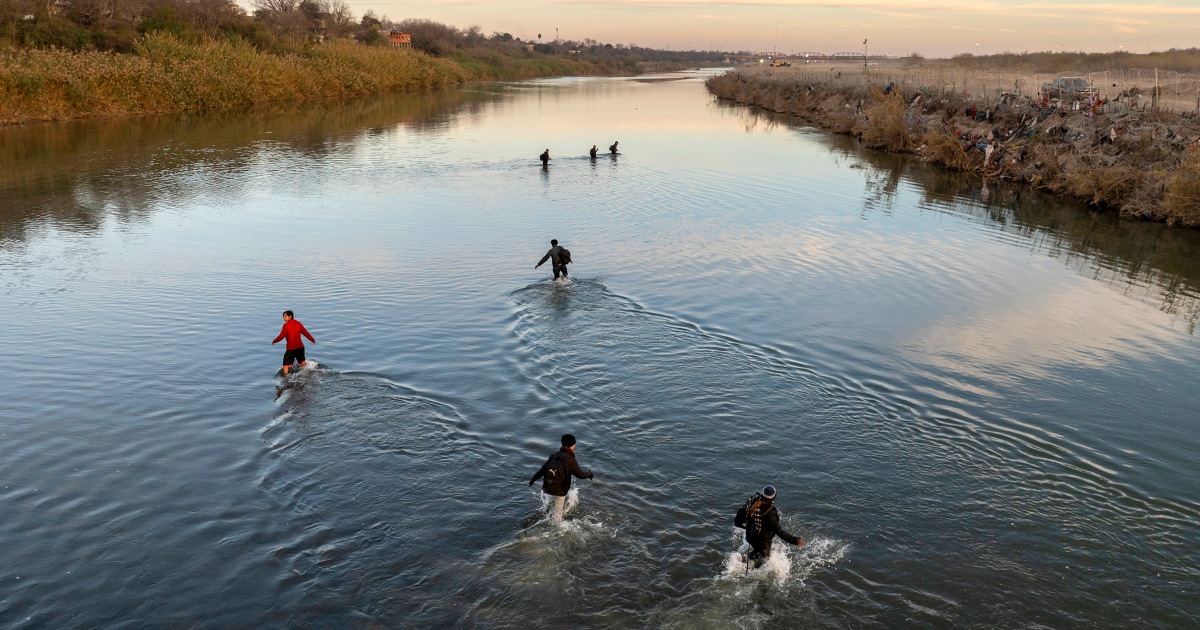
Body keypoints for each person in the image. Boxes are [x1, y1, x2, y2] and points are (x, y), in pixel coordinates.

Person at [529, 433, 594, 522]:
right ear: (573, 446)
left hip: (549, 486)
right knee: (558, 516)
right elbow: (580, 475)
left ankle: (548, 512)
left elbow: (543, 470)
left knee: (552, 501)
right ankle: (556, 527)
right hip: (560, 490)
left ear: (562, 444)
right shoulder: (570, 460)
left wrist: (533, 479)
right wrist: (589, 474)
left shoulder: (554, 455)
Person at [734, 485, 804, 567]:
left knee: (757, 549)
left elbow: (741, 514)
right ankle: (750, 563)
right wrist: (795, 540)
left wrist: (745, 526)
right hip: (763, 542)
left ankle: (748, 559)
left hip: (750, 536)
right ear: (773, 498)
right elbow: (779, 532)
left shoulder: (753, 500)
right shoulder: (771, 514)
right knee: (766, 561)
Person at [272, 310, 316, 376]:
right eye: (283, 316)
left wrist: (274, 341)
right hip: (300, 347)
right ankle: (308, 374)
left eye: (285, 316)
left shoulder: (286, 326)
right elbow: (305, 333)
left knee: (285, 365)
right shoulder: (298, 323)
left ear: (290, 316)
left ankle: (285, 378)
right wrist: (312, 339)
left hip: (291, 348)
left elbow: (281, 336)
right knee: (302, 363)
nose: (284, 318)